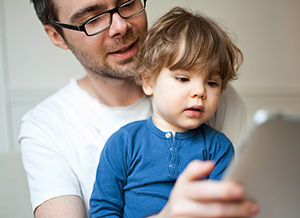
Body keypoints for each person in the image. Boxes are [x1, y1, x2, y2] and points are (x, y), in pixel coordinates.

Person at [19, 0, 258, 217]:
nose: (120, 26)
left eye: (128, 2)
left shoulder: (217, 104)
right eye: (93, 19)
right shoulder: (45, 127)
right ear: (56, 35)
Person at [89, 7, 241, 218]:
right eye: (183, 79)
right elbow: (103, 211)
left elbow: (222, 210)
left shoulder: (218, 148)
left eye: (212, 82)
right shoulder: (123, 143)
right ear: (148, 81)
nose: (200, 91)